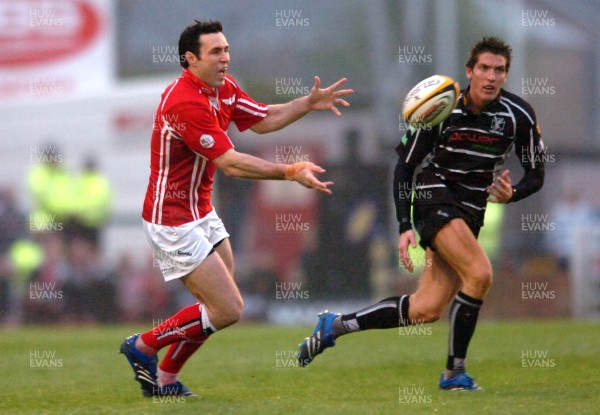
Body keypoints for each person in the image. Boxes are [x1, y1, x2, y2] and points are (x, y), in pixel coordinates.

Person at [119, 19, 353, 398]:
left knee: (215, 306)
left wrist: (307, 103)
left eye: (226, 49)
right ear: (190, 59)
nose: (225, 57)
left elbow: (262, 120)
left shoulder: (222, 88)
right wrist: (290, 171)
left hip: (201, 211)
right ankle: (143, 345)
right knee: (227, 309)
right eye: (216, 52)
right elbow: (231, 163)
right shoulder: (184, 102)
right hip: (172, 219)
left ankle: (165, 378)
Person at [297, 37, 545, 391]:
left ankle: (334, 326)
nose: (491, 76)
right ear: (469, 71)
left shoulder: (518, 115)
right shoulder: (439, 107)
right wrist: (403, 224)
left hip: (471, 212)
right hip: (434, 199)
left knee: (425, 309)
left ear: (506, 74)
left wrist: (513, 193)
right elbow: (404, 168)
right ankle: (454, 373)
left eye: (499, 70)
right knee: (480, 273)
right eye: (484, 68)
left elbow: (536, 175)